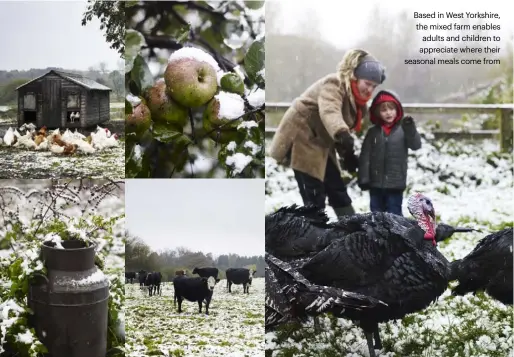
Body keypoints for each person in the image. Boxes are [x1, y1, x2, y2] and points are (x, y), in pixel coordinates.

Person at [268, 49, 386, 217]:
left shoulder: (358, 103)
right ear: (355, 76)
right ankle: (315, 234)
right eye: (367, 83)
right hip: (303, 137)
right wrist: (342, 134)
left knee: (336, 188)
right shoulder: (334, 84)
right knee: (314, 193)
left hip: (322, 142)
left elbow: (338, 128)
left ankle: (351, 228)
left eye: (374, 86)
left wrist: (347, 154)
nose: (370, 90)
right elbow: (330, 112)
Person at [358, 89, 422, 216]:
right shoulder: (373, 133)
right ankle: (378, 236)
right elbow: (365, 157)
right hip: (375, 184)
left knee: (394, 215)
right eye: (384, 110)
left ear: (397, 110)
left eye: (391, 109)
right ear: (377, 112)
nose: (388, 113)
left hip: (395, 184)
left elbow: (415, 145)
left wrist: (410, 128)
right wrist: (364, 178)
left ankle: (396, 236)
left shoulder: (403, 131)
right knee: (376, 216)